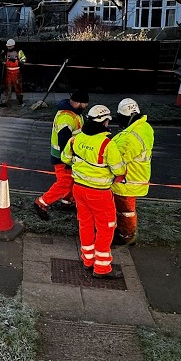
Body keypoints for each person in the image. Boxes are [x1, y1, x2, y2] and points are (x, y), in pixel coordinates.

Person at [61, 104, 126, 278]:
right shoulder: (107, 144)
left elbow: (64, 158)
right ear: (104, 122)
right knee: (106, 227)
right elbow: (119, 171)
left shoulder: (76, 139)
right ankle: (102, 268)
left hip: (79, 190)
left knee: (85, 224)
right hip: (100, 193)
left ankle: (88, 260)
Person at [33, 89, 90, 221]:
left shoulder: (73, 113)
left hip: (65, 156)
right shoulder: (67, 117)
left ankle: (67, 202)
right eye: (85, 104)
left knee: (72, 179)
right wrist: (69, 160)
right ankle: (41, 203)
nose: (86, 106)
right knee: (64, 182)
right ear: (77, 103)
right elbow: (64, 140)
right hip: (63, 157)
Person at [111, 97, 154, 246]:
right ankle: (125, 232)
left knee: (125, 211)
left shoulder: (130, 138)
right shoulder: (144, 127)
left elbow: (118, 162)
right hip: (136, 177)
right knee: (124, 210)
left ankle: (126, 237)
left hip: (127, 181)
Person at [2, 38, 27, 105]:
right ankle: (7, 100)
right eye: (7, 46)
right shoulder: (6, 52)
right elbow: (4, 60)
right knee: (7, 87)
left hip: (16, 73)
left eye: (9, 46)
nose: (8, 47)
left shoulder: (19, 51)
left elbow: (24, 59)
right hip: (8, 73)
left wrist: (20, 62)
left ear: (13, 45)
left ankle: (20, 101)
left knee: (18, 87)